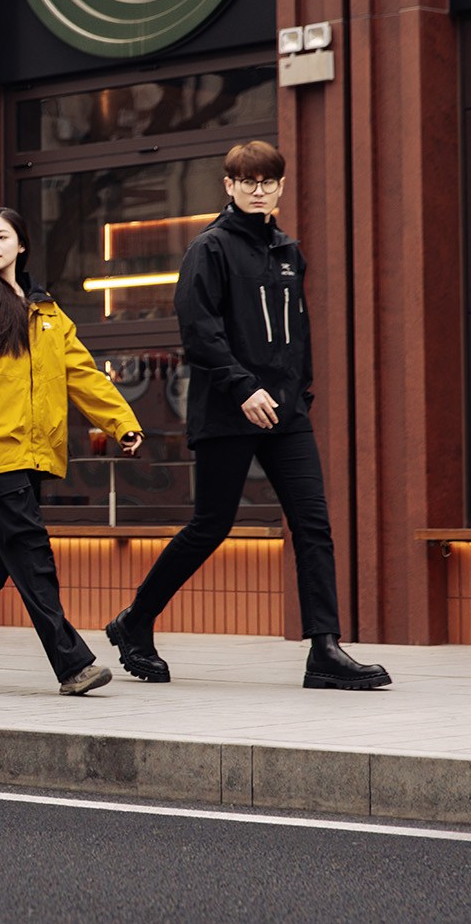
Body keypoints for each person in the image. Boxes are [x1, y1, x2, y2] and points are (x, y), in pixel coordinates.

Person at [106, 141, 390, 690]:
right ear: (229, 186)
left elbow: (298, 332)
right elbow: (199, 331)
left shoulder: (287, 251)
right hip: (228, 410)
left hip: (286, 412)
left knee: (312, 524)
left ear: (281, 186)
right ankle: (135, 619)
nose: (258, 190)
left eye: (268, 182)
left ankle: (324, 650)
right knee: (211, 525)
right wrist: (243, 387)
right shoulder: (209, 248)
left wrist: (299, 393)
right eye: (247, 182)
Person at [0, 207, 144, 696]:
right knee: (31, 552)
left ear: (21, 245)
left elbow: (81, 374)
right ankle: (72, 664)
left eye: (1, 237)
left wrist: (120, 422)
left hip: (35, 453)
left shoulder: (47, 311)